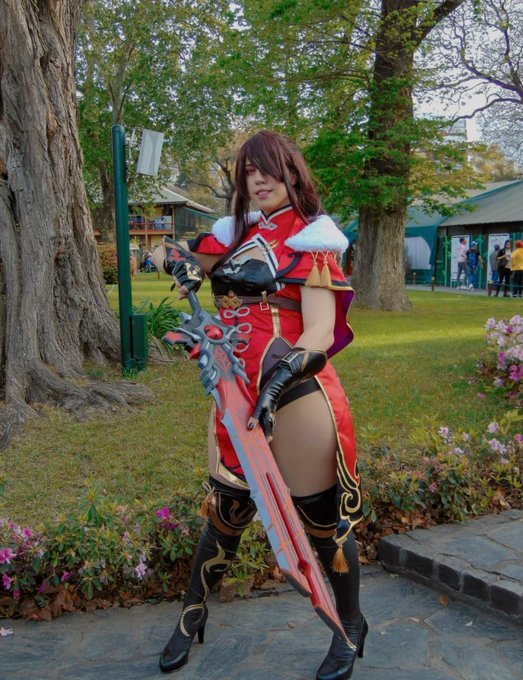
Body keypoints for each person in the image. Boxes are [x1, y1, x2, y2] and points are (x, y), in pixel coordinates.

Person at [152, 130, 366, 679]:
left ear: (293, 173)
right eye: (249, 171)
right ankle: (191, 616)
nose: (259, 179)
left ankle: (349, 626)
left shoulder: (314, 238)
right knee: (224, 515)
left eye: (269, 168)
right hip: (231, 393)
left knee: (323, 526)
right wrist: (178, 263)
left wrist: (274, 385)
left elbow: (319, 331)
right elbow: (165, 251)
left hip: (294, 394)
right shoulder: (233, 233)